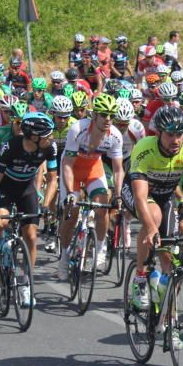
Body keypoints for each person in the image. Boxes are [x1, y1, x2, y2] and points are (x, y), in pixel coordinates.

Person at [122, 107, 183, 311]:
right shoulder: (145, 148)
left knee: (169, 260)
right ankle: (139, 279)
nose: (176, 140)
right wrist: (150, 228)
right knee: (153, 218)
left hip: (166, 195)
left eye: (180, 134)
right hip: (138, 191)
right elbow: (139, 196)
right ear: (158, 133)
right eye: (170, 135)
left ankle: (166, 322)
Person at [0, 108, 58, 290]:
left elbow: (52, 179)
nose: (50, 138)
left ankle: (26, 284)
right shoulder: (11, 147)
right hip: (6, 188)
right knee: (0, 223)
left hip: (27, 189)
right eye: (47, 135)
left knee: (31, 236)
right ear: (33, 137)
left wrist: (47, 205)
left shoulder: (49, 148)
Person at [58, 94, 125, 278]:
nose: (108, 120)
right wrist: (71, 192)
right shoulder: (77, 129)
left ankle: (101, 249)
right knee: (71, 215)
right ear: (94, 115)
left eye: (111, 115)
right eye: (104, 115)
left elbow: (118, 170)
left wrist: (119, 196)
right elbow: (67, 164)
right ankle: (64, 257)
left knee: (103, 208)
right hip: (72, 169)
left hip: (93, 170)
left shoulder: (115, 136)